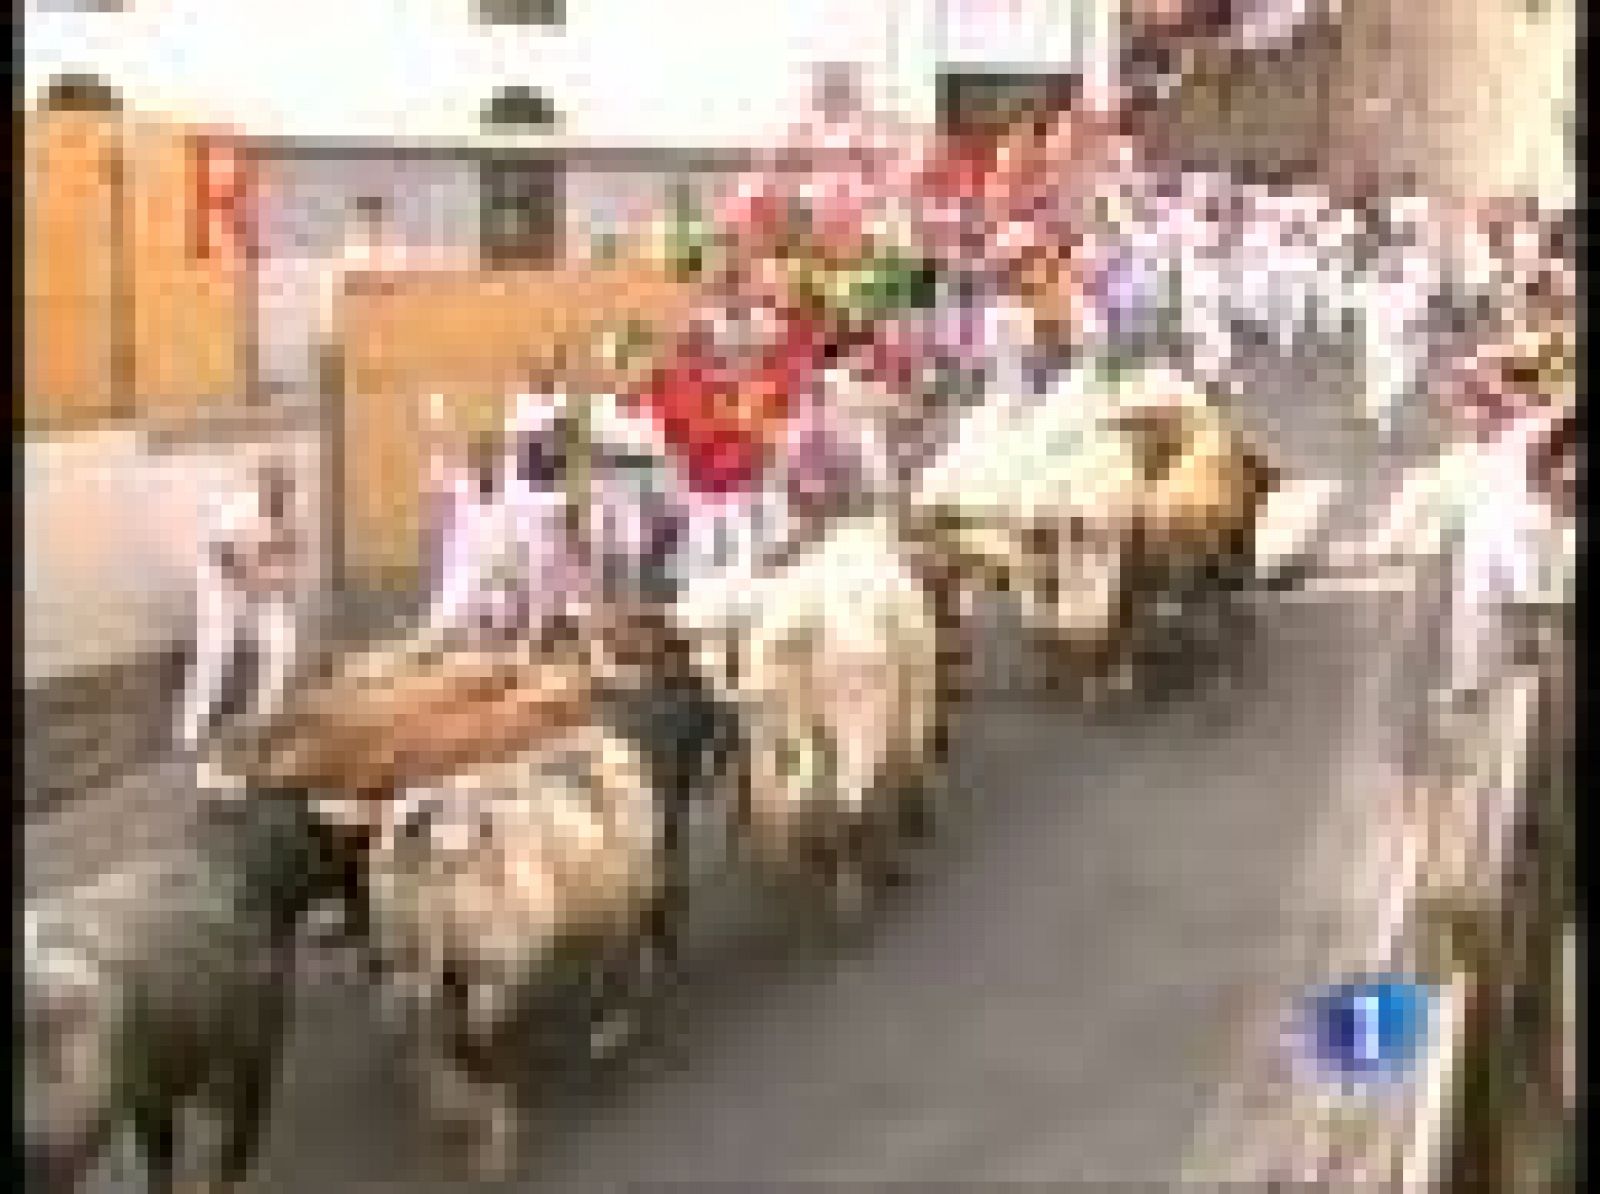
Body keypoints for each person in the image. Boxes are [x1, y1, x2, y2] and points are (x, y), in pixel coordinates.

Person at [177, 455, 309, 751]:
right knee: (217, 648)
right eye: (273, 489)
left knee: (282, 642)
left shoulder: (293, 507)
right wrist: (264, 580)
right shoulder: (239, 511)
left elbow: (297, 548)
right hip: (219, 577)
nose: (280, 497)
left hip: (261, 572)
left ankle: (265, 719)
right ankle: (190, 731)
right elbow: (236, 561)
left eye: (285, 491)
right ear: (261, 488)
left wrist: (284, 578)